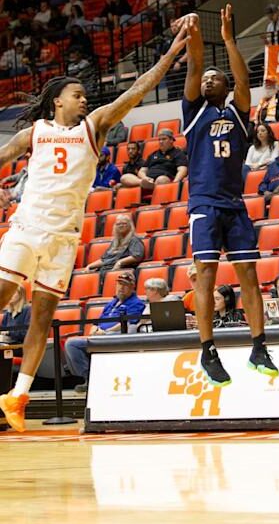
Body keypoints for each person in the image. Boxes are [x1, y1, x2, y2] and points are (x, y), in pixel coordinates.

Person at [0, 21, 188, 431]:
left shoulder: (94, 127)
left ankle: (17, 395)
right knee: (2, 296)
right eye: (77, 95)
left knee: (42, 318)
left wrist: (170, 55)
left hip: (65, 239)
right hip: (28, 227)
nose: (85, 100)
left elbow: (136, 90)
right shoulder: (36, 133)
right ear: (57, 102)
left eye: (85, 95)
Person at [182, 6, 278, 386]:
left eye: (214, 77)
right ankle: (207, 350)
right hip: (204, 204)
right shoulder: (193, 112)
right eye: (204, 78)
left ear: (224, 86)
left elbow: (243, 80)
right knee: (205, 275)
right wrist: (195, 43)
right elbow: (194, 69)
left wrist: (228, 41)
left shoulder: (238, 113)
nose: (207, 80)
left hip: (234, 205)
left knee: (248, 276)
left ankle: (259, 346)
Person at [64, 271, 145, 392]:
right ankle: (89, 378)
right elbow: (96, 322)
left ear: (132, 287)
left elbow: (129, 324)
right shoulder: (111, 303)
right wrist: (94, 330)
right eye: (119, 284)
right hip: (100, 336)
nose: (121, 287)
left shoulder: (136, 303)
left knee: (74, 344)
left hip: (117, 336)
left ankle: (91, 379)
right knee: (71, 344)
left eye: (125, 285)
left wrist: (105, 332)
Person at [120, 129, 188, 190]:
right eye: (159, 139)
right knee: (124, 177)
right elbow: (142, 171)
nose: (161, 142)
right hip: (149, 179)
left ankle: (152, 186)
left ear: (171, 140)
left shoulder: (178, 153)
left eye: (164, 139)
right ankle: (147, 184)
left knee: (161, 179)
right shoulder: (153, 154)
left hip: (165, 179)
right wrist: (145, 178)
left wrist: (175, 183)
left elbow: (182, 170)